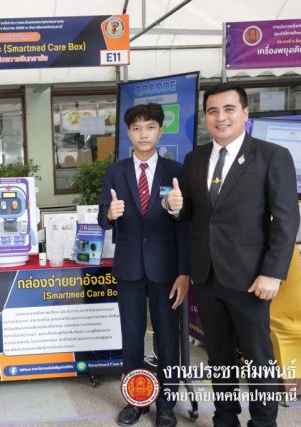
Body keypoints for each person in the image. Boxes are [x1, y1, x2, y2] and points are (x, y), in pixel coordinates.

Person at [167, 83, 300, 427]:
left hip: (251, 277)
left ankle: (263, 422)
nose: (220, 117)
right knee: (219, 356)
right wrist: (175, 207)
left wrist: (273, 273)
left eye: (229, 109)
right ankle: (225, 418)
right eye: (212, 111)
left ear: (245, 113)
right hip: (207, 275)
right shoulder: (195, 159)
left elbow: (286, 219)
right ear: (205, 117)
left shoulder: (272, 156)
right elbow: (194, 214)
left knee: (258, 357)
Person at [98, 103, 190, 427]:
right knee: (132, 337)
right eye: (136, 128)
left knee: (167, 339)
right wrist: (110, 214)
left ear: (160, 131)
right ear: (128, 133)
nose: (143, 134)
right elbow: (102, 217)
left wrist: (184, 271)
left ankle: (166, 404)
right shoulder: (115, 171)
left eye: (150, 127)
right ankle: (136, 401)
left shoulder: (176, 171)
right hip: (129, 268)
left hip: (166, 269)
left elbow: (186, 224)